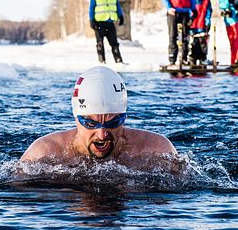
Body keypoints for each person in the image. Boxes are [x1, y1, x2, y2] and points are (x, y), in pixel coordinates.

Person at [21, 66, 176, 168]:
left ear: (124, 117)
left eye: (113, 122)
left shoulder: (157, 149)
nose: (102, 134)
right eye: (90, 123)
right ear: (76, 117)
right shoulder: (44, 152)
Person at [161, 0, 197, 66]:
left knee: (185, 36)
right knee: (173, 35)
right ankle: (172, 58)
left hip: (185, 11)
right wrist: (168, 7)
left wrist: (193, 8)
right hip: (173, 12)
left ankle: (184, 58)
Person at [89, 0, 124, 64]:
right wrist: (91, 19)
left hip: (109, 21)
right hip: (99, 22)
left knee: (114, 43)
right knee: (100, 43)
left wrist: (120, 15)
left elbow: (117, 5)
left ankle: (119, 61)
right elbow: (91, 7)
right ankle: (102, 61)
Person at [189, 0, 212, 65]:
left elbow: (208, 14)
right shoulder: (191, 1)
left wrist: (207, 23)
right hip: (193, 27)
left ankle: (203, 59)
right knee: (193, 45)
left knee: (203, 44)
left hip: (202, 27)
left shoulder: (206, 1)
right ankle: (192, 60)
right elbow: (189, 13)